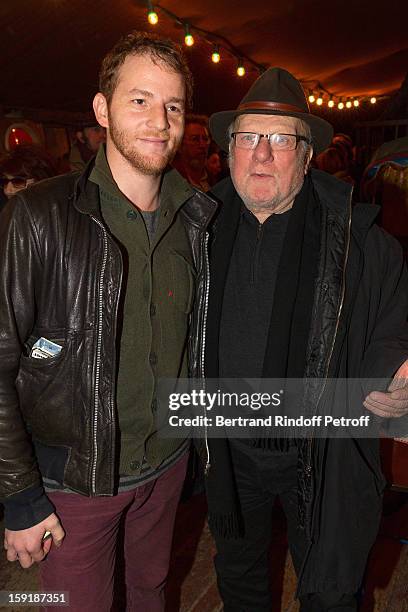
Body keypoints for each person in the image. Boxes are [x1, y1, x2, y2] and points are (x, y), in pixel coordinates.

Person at [0, 31, 216, 611]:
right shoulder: (37, 216)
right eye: (139, 100)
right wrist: (20, 496)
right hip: (74, 483)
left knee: (151, 593)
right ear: (102, 109)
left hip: (167, 467)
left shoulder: (198, 220)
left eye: (172, 105)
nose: (159, 120)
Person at [203, 67, 408, 611]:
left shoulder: (363, 243)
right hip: (227, 448)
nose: (261, 154)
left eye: (280, 139)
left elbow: (395, 321)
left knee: (330, 592)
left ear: (308, 153)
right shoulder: (196, 229)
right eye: (248, 137)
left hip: (319, 452)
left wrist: (396, 372)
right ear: (229, 149)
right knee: (239, 580)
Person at [173, 114, 211, 190]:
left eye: (205, 139)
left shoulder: (213, 180)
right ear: (179, 145)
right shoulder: (172, 182)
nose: (202, 145)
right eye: (195, 139)